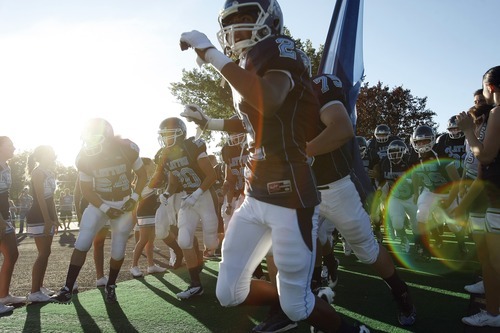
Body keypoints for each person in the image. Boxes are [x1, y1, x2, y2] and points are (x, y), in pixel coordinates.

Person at [180, 1, 369, 331]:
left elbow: (269, 100)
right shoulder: (248, 65)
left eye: (246, 17)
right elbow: (251, 120)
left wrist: (211, 53)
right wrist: (208, 122)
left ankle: (349, 328)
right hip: (256, 194)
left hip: (290, 194)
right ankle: (295, 301)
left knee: (297, 306)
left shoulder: (281, 49)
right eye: (231, 20)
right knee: (228, 292)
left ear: (270, 20)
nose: (237, 26)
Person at [308, 73, 416, 327]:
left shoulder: (317, 87)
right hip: (304, 189)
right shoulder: (276, 96)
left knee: (366, 249)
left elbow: (342, 129)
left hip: (334, 187)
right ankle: (312, 289)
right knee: (302, 243)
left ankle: (401, 293)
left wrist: (302, 151)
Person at [52, 118, 147, 304]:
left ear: (107, 136)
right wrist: (104, 207)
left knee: (118, 249)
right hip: (99, 202)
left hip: (124, 203)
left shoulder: (127, 148)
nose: (90, 143)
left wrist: (134, 199)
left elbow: (142, 175)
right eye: (88, 138)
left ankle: (111, 284)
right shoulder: (84, 158)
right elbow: (86, 189)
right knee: (83, 241)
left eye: (94, 138)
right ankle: (67, 288)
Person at [153, 117, 218, 300]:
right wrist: (166, 193)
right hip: (188, 198)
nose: (166, 138)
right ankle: (196, 285)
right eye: (163, 135)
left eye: (169, 134)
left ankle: (237, 269)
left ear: (180, 134)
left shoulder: (192, 147)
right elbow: (173, 180)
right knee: (184, 240)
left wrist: (196, 194)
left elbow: (211, 175)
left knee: (212, 244)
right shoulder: (165, 155)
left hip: (204, 196)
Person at [457, 66, 500, 327]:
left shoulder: (496, 112)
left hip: (495, 196)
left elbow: (485, 155)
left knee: (494, 264)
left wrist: (467, 131)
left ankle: (494, 314)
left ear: (491, 88)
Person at [25, 145, 60, 302]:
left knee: (46, 253)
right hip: (38, 215)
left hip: (48, 215)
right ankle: (34, 291)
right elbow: (40, 197)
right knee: (43, 253)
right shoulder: (37, 172)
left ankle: (40, 286)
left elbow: (51, 198)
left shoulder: (50, 172)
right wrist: (47, 219)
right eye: (49, 152)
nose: (53, 154)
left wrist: (55, 217)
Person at [374, 140, 417, 253]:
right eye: (392, 152)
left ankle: (420, 244)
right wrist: (379, 190)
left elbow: (417, 178)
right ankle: (404, 239)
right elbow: (382, 180)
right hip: (396, 196)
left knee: (416, 224)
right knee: (397, 222)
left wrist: (417, 193)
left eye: (397, 152)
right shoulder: (384, 162)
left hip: (410, 196)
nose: (395, 155)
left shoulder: (409, 161)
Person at [129, 157, 167, 277]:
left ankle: (151, 265)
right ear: (145, 166)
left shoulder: (149, 179)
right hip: (144, 211)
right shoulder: (143, 180)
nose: (153, 164)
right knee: (143, 239)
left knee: (150, 240)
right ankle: (133, 266)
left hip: (151, 210)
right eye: (151, 163)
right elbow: (151, 188)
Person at [0, 136, 26, 314]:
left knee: (12, 253)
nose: (14, 148)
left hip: (5, 216)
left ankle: (4, 295)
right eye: (10, 145)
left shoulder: (6, 167)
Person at [73, 175, 109, 288]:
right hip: (88, 206)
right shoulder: (85, 167)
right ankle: (72, 280)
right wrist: (78, 212)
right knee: (83, 244)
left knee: (99, 243)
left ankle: (100, 277)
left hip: (105, 207)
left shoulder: (108, 165)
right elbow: (77, 192)